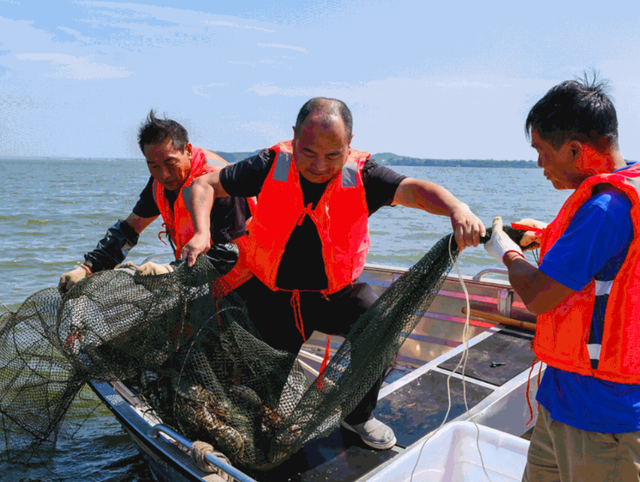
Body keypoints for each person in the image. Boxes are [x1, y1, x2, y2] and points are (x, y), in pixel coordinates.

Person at [182, 97, 485, 450]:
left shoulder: (364, 174)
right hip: (273, 297)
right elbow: (203, 185)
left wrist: (456, 207)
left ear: (350, 143)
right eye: (308, 153)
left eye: (333, 155)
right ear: (294, 137)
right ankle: (259, 425)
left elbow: (412, 190)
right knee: (260, 393)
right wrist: (201, 232)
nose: (319, 165)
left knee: (380, 325)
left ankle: (358, 417)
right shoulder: (269, 164)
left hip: (336, 296)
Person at [484, 75, 640, 481]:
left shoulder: (604, 210)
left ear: (574, 149)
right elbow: (606, 258)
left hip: (602, 418)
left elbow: (538, 296)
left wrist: (506, 251)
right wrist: (547, 233)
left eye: (541, 151)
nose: (539, 164)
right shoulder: (625, 190)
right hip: (563, 397)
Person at [58, 110, 251, 294]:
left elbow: (227, 253)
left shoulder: (218, 182)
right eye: (154, 166)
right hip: (202, 280)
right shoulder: (159, 184)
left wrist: (170, 271)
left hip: (248, 281)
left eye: (170, 163)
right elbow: (129, 230)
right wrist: (88, 267)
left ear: (188, 150)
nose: (164, 174)